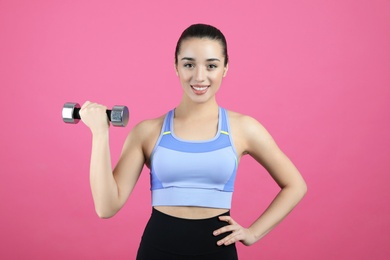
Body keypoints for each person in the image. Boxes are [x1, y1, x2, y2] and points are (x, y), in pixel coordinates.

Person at [79, 23, 307, 259]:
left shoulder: (244, 128)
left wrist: (253, 233)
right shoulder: (148, 132)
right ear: (176, 67)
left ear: (225, 68)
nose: (199, 77)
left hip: (217, 252)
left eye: (211, 66)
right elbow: (106, 207)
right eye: (189, 64)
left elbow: (295, 185)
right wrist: (100, 133)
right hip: (158, 251)